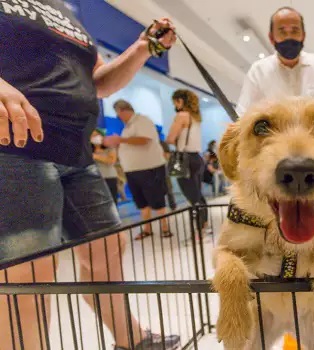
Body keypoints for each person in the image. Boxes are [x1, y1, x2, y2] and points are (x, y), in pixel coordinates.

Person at [0, 5, 180, 349]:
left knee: (107, 249)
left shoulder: (66, 13)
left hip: (77, 153)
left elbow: (100, 83)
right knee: (27, 274)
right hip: (14, 147)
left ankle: (131, 338)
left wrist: (143, 47)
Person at [236, 6, 314, 115]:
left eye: (295, 31)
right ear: (271, 38)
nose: (288, 37)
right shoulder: (258, 72)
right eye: (282, 31)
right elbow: (243, 117)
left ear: (303, 36)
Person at [105, 100, 172, 240]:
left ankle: (165, 227)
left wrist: (120, 140)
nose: (118, 117)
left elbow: (144, 140)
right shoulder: (127, 127)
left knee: (157, 200)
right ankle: (147, 228)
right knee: (141, 202)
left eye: (118, 113)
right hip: (132, 170)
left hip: (149, 167)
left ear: (122, 110)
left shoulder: (142, 121)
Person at [166, 89, 208, 231]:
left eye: (175, 102)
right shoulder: (196, 117)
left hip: (182, 158)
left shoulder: (181, 116)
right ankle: (204, 226)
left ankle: (199, 230)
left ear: (180, 100)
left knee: (192, 196)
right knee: (197, 194)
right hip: (197, 158)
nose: (175, 105)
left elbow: (170, 138)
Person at [91, 128, 119, 203]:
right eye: (92, 135)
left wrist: (95, 156)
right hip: (94, 180)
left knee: (112, 202)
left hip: (109, 178)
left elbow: (111, 161)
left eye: (96, 135)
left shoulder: (110, 148)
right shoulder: (88, 150)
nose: (94, 137)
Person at [159, 133, 178, 210]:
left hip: (162, 167)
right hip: (151, 169)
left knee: (168, 188)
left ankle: (172, 206)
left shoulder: (162, 143)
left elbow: (168, 154)